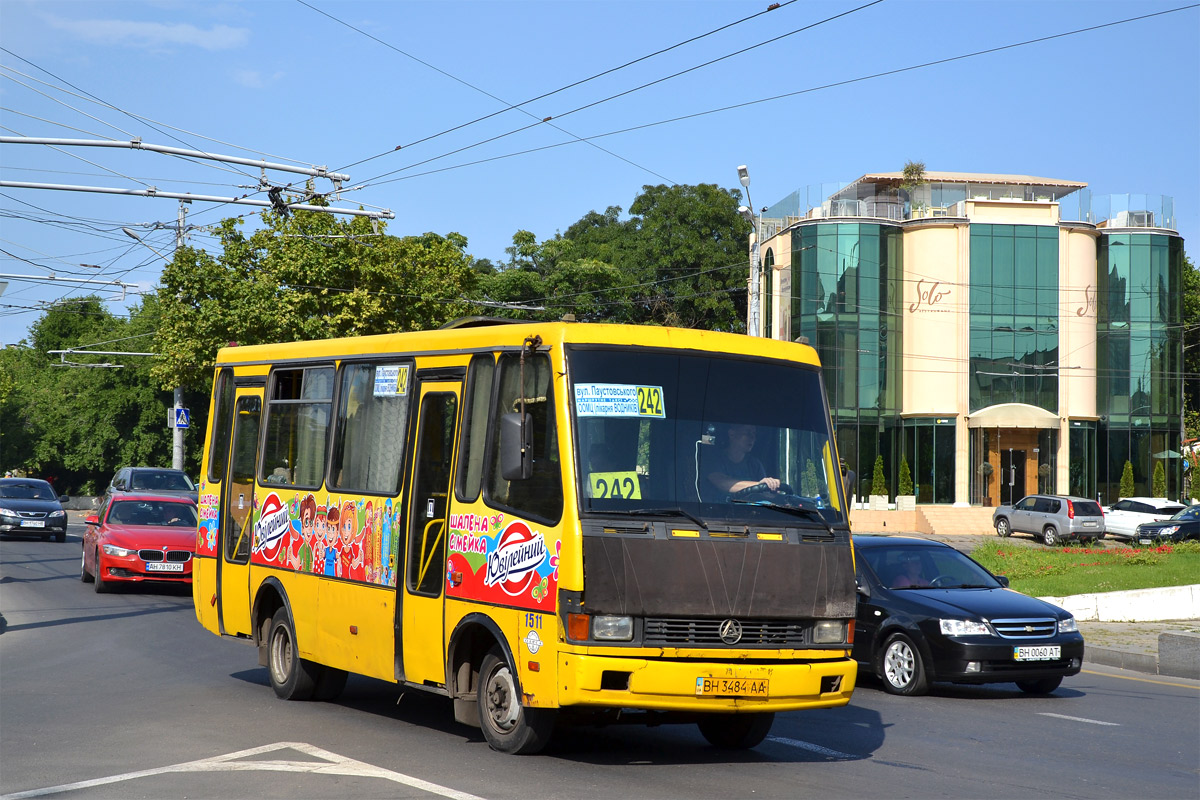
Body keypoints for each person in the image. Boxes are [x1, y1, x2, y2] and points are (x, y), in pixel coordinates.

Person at [706, 423, 781, 498]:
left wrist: (773, 487)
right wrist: (759, 485)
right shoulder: (715, 459)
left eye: (754, 433)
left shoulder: (755, 464)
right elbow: (722, 483)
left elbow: (765, 493)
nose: (752, 437)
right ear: (732, 434)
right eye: (747, 433)